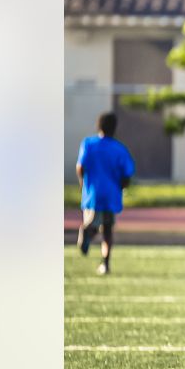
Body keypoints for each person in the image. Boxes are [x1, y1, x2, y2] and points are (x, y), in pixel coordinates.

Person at [76, 112, 135, 275]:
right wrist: (121, 188)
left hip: (92, 193)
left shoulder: (88, 144)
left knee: (94, 222)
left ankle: (88, 232)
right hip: (111, 194)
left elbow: (80, 167)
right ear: (114, 128)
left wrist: (83, 184)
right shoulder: (119, 149)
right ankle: (106, 263)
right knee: (107, 229)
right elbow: (127, 174)